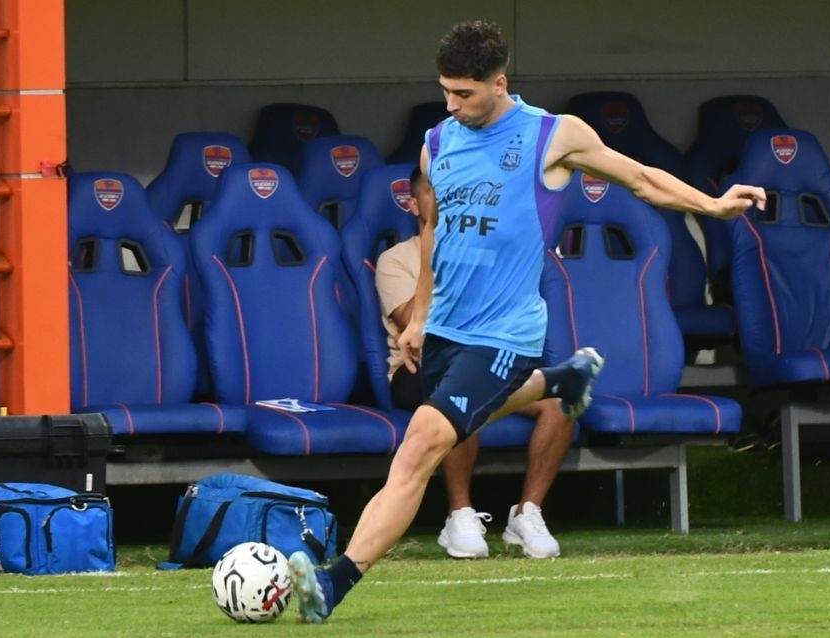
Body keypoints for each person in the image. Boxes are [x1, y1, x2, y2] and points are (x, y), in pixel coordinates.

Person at [288, 19, 766, 624]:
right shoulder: (437, 142)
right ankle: (562, 380)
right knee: (465, 418)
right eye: (445, 91)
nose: (451, 105)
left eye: (464, 93)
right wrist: (419, 315)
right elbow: (435, 230)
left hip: (504, 333)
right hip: (446, 331)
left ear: (499, 82)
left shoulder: (552, 135)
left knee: (418, 448)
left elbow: (642, 179)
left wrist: (713, 205)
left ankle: (333, 585)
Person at [376, 165, 575, 559]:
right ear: (413, 205)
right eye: (435, 192)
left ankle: (527, 513)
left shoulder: (486, 249)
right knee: (458, 389)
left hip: (488, 359)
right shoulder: (395, 259)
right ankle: (459, 515)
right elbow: (414, 323)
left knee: (561, 398)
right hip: (417, 369)